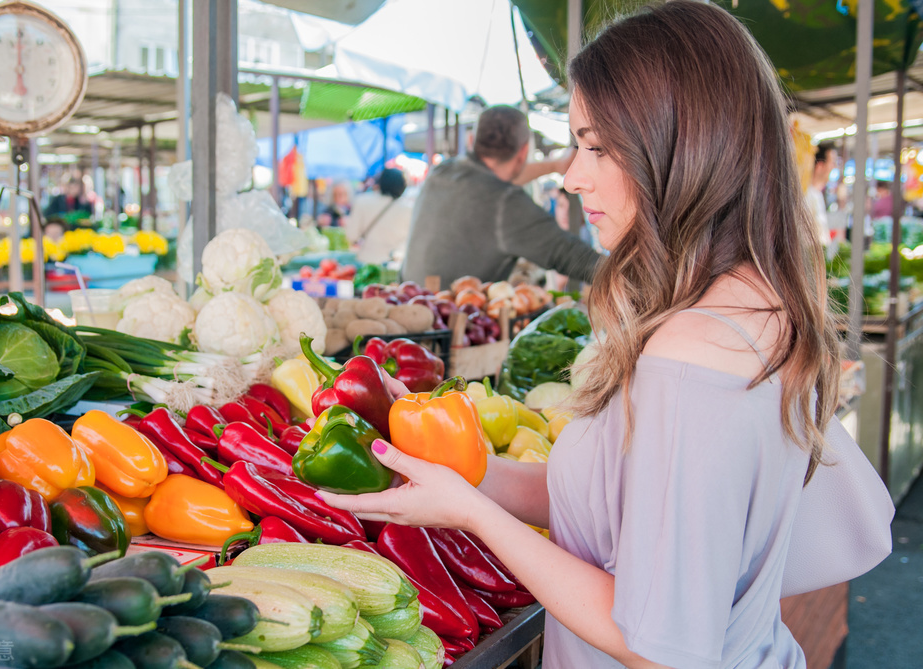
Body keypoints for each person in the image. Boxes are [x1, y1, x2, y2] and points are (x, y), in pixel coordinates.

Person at [321, 3, 892, 668]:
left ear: (680, 147)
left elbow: (658, 648)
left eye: (595, 145)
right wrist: (468, 469)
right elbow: (614, 500)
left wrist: (475, 516)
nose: (571, 174)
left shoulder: (690, 357)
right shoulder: (760, 305)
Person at [400, 105, 601, 289]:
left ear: (471, 140)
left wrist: (556, 166)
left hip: (403, 306)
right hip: (451, 323)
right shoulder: (507, 204)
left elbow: (497, 178)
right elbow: (574, 258)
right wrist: (630, 278)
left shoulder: (441, 172)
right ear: (523, 153)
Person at [345, 168, 413, 264]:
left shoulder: (362, 201)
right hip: (394, 264)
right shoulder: (409, 208)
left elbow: (352, 236)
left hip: (366, 262)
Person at [805, 141, 836, 245]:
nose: (833, 167)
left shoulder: (817, 195)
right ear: (820, 166)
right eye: (832, 162)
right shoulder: (805, 196)